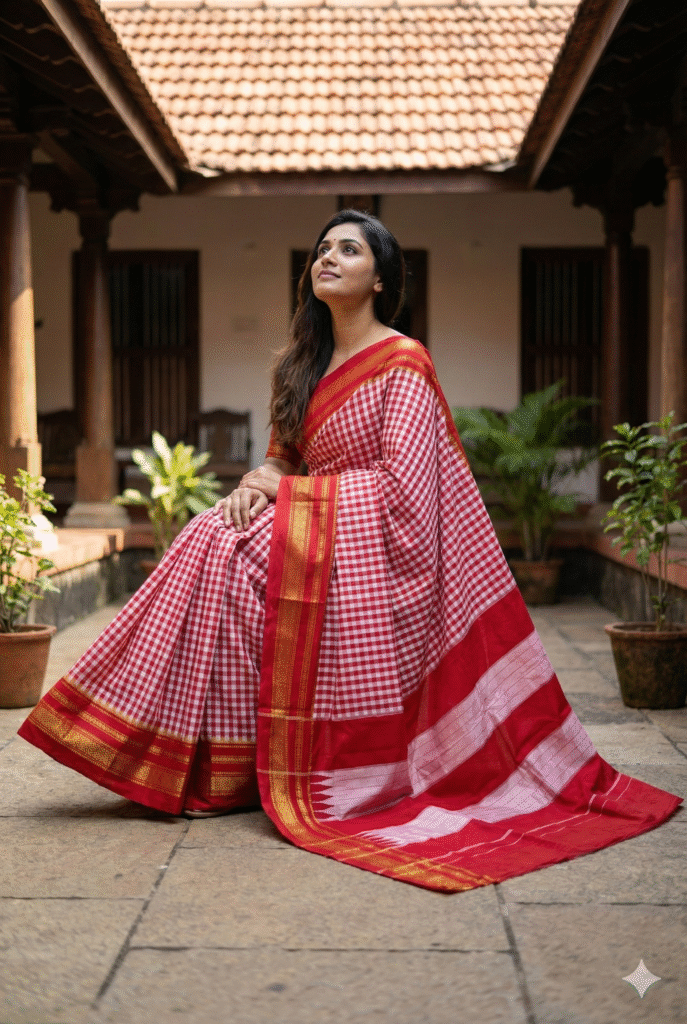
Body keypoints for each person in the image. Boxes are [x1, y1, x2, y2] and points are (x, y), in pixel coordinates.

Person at [19, 211, 681, 892]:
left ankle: (228, 759)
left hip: (375, 554)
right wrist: (256, 485)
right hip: (323, 534)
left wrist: (294, 501)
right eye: (321, 250)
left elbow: (404, 490)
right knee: (210, 537)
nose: (327, 258)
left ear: (380, 277)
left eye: (348, 249)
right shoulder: (300, 366)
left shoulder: (402, 362)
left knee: (231, 559)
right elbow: (283, 462)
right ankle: (187, 753)